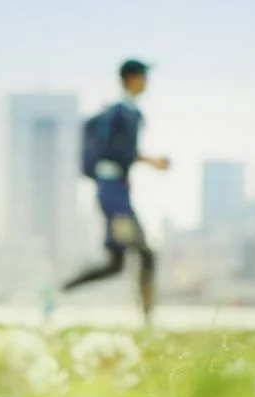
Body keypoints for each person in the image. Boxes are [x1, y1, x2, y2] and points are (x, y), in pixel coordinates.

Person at [57, 59, 170, 325]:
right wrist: (147, 162)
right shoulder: (120, 114)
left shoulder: (128, 114)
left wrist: (149, 162)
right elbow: (114, 153)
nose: (146, 83)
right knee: (145, 252)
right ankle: (148, 319)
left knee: (116, 265)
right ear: (132, 79)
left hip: (116, 192)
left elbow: (122, 153)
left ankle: (61, 289)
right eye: (143, 77)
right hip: (114, 197)